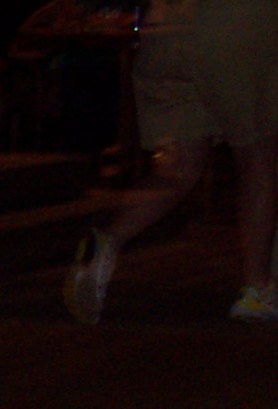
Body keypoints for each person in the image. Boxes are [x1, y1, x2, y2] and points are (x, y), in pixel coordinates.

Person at [65, 0, 278, 322]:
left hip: (164, 31)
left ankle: (108, 242)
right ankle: (257, 289)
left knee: (178, 167)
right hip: (234, 27)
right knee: (258, 160)